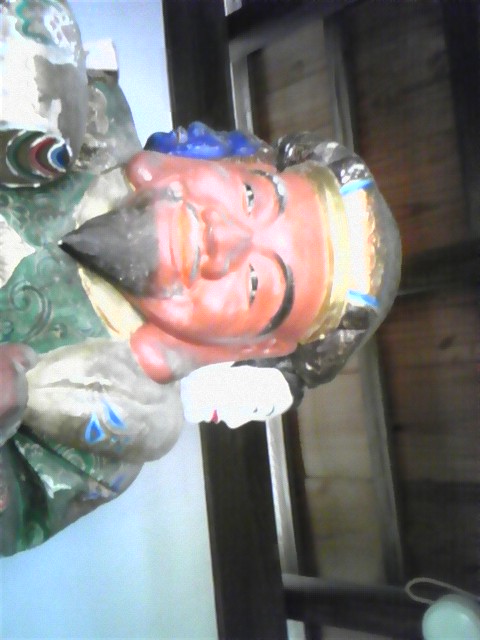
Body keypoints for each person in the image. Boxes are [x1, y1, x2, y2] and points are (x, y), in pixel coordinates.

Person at [0, 0, 401, 555]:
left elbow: (15, 515)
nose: (224, 239)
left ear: (249, 349)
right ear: (231, 161)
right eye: (251, 197)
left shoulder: (99, 454)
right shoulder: (90, 113)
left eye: (257, 283)